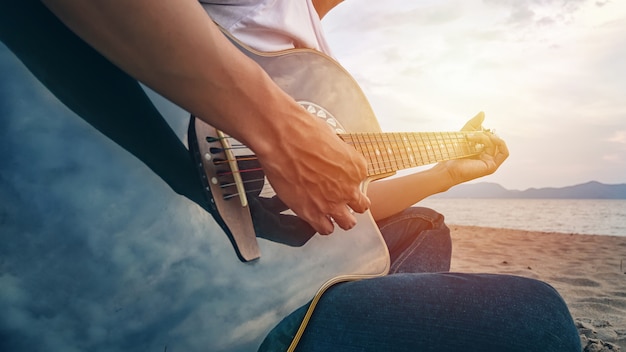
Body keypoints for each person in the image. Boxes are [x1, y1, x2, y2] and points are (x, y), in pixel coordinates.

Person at [0, 0, 581, 351]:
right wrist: (277, 125)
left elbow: (338, 213)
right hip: (131, 260)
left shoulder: (308, 43)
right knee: (538, 321)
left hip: (246, 270)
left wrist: (446, 171)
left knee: (423, 227)